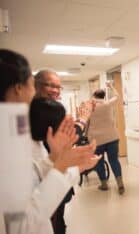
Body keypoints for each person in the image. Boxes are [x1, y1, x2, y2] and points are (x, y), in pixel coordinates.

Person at [0, 49, 99, 234]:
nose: (54, 90)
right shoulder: (10, 134)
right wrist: (61, 165)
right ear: (18, 88)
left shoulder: (13, 126)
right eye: (31, 85)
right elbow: (22, 224)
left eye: (58, 87)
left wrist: (63, 163)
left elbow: (30, 171)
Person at [34, 69, 94, 234]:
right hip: (45, 184)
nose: (55, 90)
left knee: (58, 220)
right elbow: (64, 137)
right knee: (54, 221)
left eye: (58, 87)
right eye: (51, 85)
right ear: (35, 86)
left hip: (53, 175)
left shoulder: (48, 109)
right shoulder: (37, 112)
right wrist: (82, 120)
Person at [88, 82, 125, 194]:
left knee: (99, 161)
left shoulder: (90, 107)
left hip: (96, 139)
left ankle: (104, 184)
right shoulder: (108, 104)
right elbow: (118, 96)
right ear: (103, 96)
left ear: (94, 96)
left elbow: (85, 122)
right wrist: (111, 86)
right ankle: (120, 183)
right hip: (112, 137)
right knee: (114, 160)